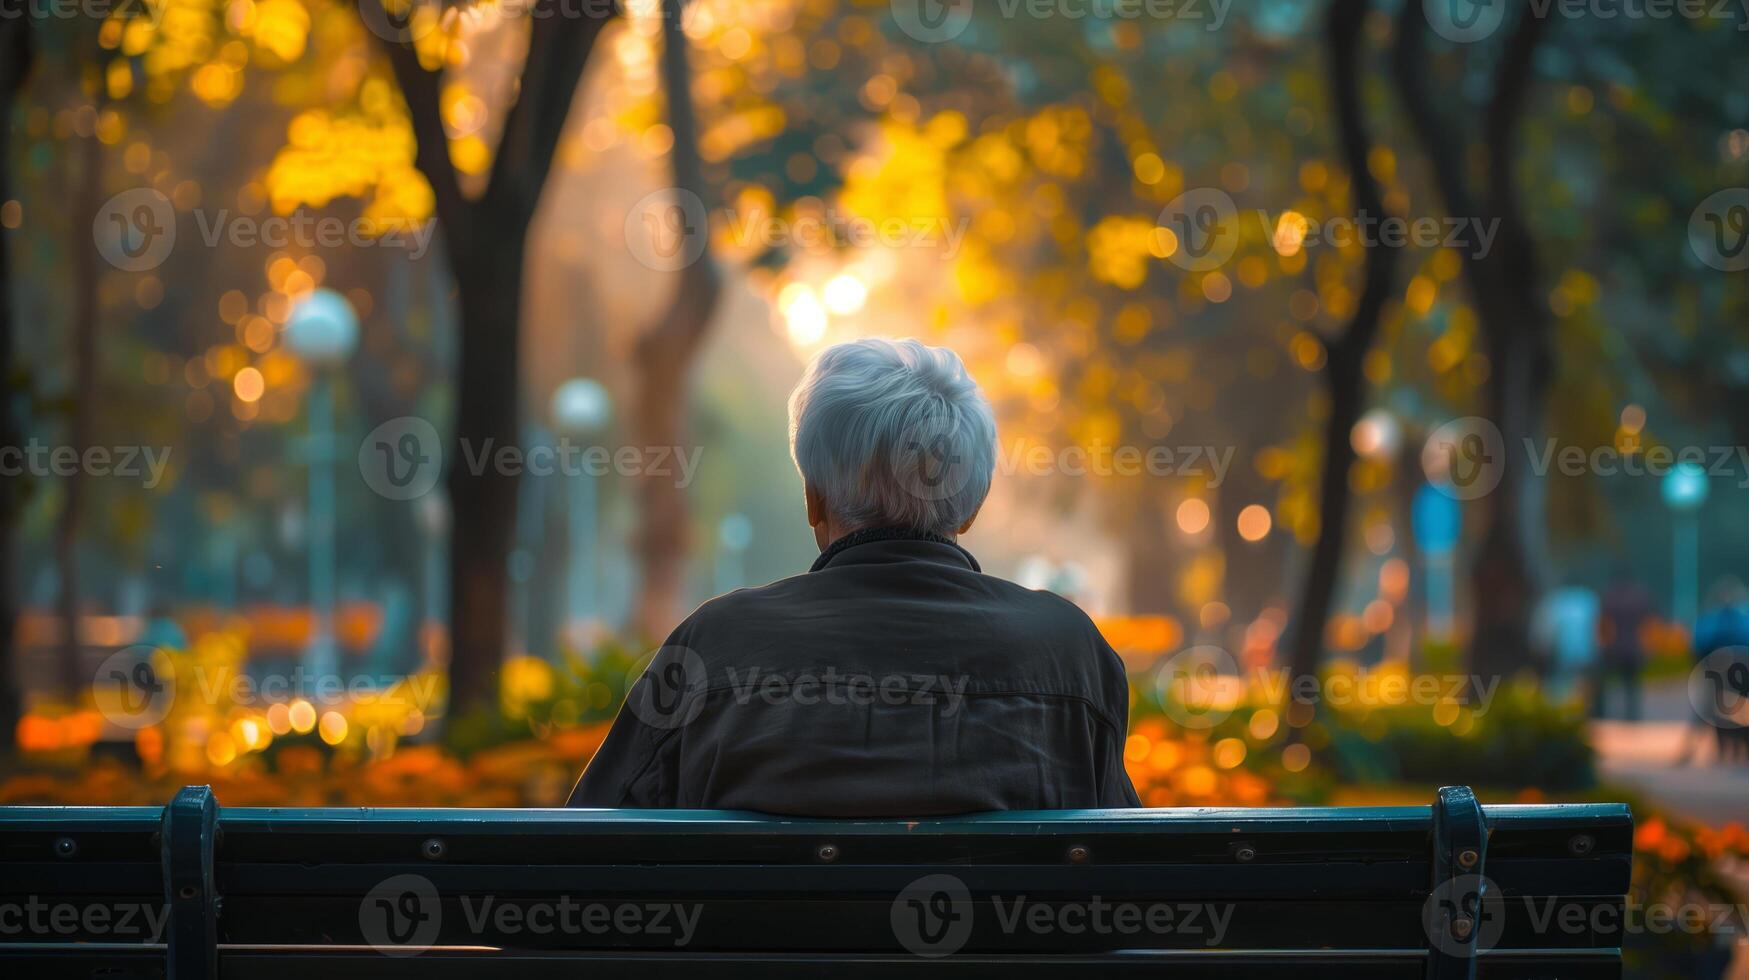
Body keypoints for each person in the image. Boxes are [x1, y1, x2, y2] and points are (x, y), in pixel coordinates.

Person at [569, 338, 1140, 814]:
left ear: (814, 500)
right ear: (972, 506)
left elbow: (585, 849)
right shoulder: (1069, 653)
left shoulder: (712, 646)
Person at [1691, 577, 1749, 764]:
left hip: (1718, 672)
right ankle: (1739, 751)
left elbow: (1699, 645)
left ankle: (1724, 750)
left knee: (1718, 711)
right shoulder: (1743, 618)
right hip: (1741, 674)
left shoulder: (1710, 619)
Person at [1595, 567, 1653, 721]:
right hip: (1634, 646)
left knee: (1609, 684)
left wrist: (1603, 644)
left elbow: (1604, 623)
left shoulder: (1609, 597)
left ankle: (1605, 715)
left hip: (1615, 647)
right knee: (1632, 685)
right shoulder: (1639, 597)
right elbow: (1647, 623)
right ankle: (1632, 716)